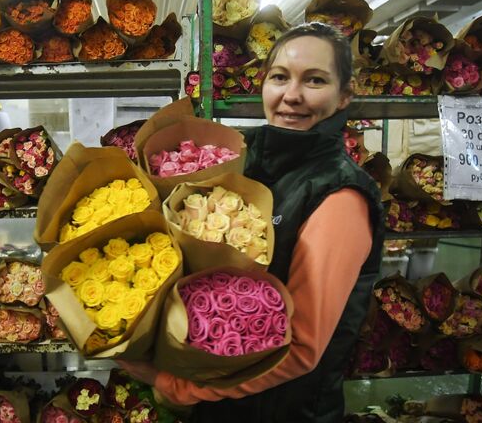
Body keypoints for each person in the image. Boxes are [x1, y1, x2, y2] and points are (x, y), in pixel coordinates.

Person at [119, 23, 385, 422]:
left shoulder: (340, 197)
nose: (291, 95)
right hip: (221, 401)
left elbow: (299, 350)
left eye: (314, 80)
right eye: (280, 77)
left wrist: (173, 385)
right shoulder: (249, 163)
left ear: (345, 95)